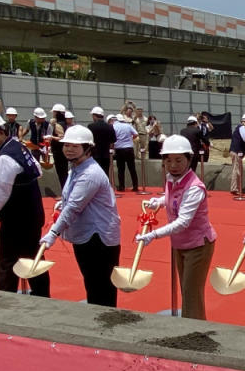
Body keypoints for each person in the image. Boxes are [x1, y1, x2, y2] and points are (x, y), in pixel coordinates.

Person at [136, 135, 218, 320]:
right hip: (180, 244)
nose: (173, 165)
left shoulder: (195, 188)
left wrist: (154, 234)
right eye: (168, 160)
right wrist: (158, 202)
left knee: (191, 294)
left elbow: (183, 221)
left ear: (189, 160)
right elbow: (171, 199)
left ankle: (195, 334)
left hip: (198, 245)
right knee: (186, 290)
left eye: (179, 160)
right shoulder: (170, 179)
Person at [0, 111, 50, 297]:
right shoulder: (17, 146)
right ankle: (43, 297)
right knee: (34, 259)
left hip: (16, 221)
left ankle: (6, 300)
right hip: (32, 215)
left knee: (6, 264)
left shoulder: (6, 157)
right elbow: (38, 171)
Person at [40, 125, 121, 307]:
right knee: (92, 283)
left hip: (98, 238)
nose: (69, 149)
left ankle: (104, 323)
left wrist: (53, 233)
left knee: (101, 287)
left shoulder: (90, 174)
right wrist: (63, 202)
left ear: (87, 148)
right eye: (66, 145)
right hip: (85, 235)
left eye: (75, 146)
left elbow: (73, 208)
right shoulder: (75, 169)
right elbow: (71, 200)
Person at [111, 114, 139, 192]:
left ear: (116, 119)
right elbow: (136, 134)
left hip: (119, 149)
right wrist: (130, 139)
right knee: (132, 168)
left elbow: (112, 138)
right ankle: (135, 186)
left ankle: (121, 187)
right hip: (129, 148)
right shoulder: (128, 125)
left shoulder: (114, 126)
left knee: (121, 169)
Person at [88, 107, 116, 177]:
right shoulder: (109, 126)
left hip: (94, 155)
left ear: (94, 115)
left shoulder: (91, 126)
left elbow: (88, 141)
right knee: (105, 174)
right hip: (106, 155)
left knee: (95, 175)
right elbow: (113, 140)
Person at [49, 103, 69, 186]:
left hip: (59, 152)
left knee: (62, 173)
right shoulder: (64, 123)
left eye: (54, 112)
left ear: (57, 113)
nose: (53, 114)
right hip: (62, 152)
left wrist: (51, 137)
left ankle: (65, 193)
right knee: (64, 172)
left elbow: (62, 137)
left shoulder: (58, 125)